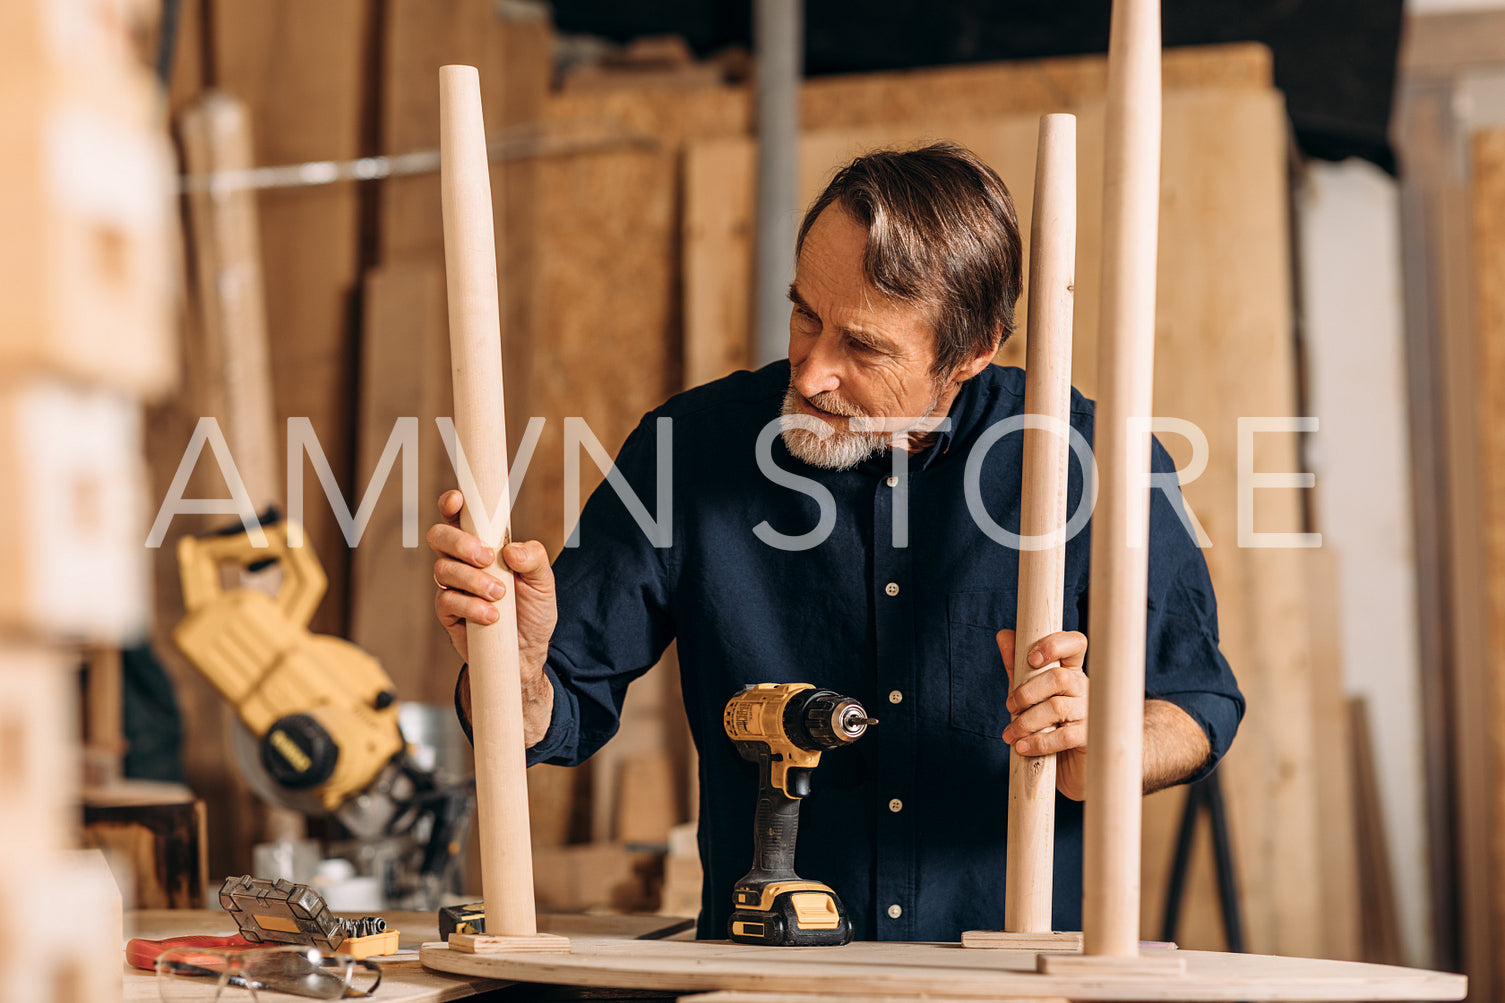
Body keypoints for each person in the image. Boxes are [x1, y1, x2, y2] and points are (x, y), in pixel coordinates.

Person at [428, 142, 1244, 941]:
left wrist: (1105, 744)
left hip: (1007, 976)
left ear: (972, 352)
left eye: (862, 346)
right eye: (804, 315)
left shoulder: (1087, 457)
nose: (812, 371)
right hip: (762, 979)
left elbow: (1197, 701)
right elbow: (555, 709)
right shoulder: (690, 449)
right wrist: (519, 671)